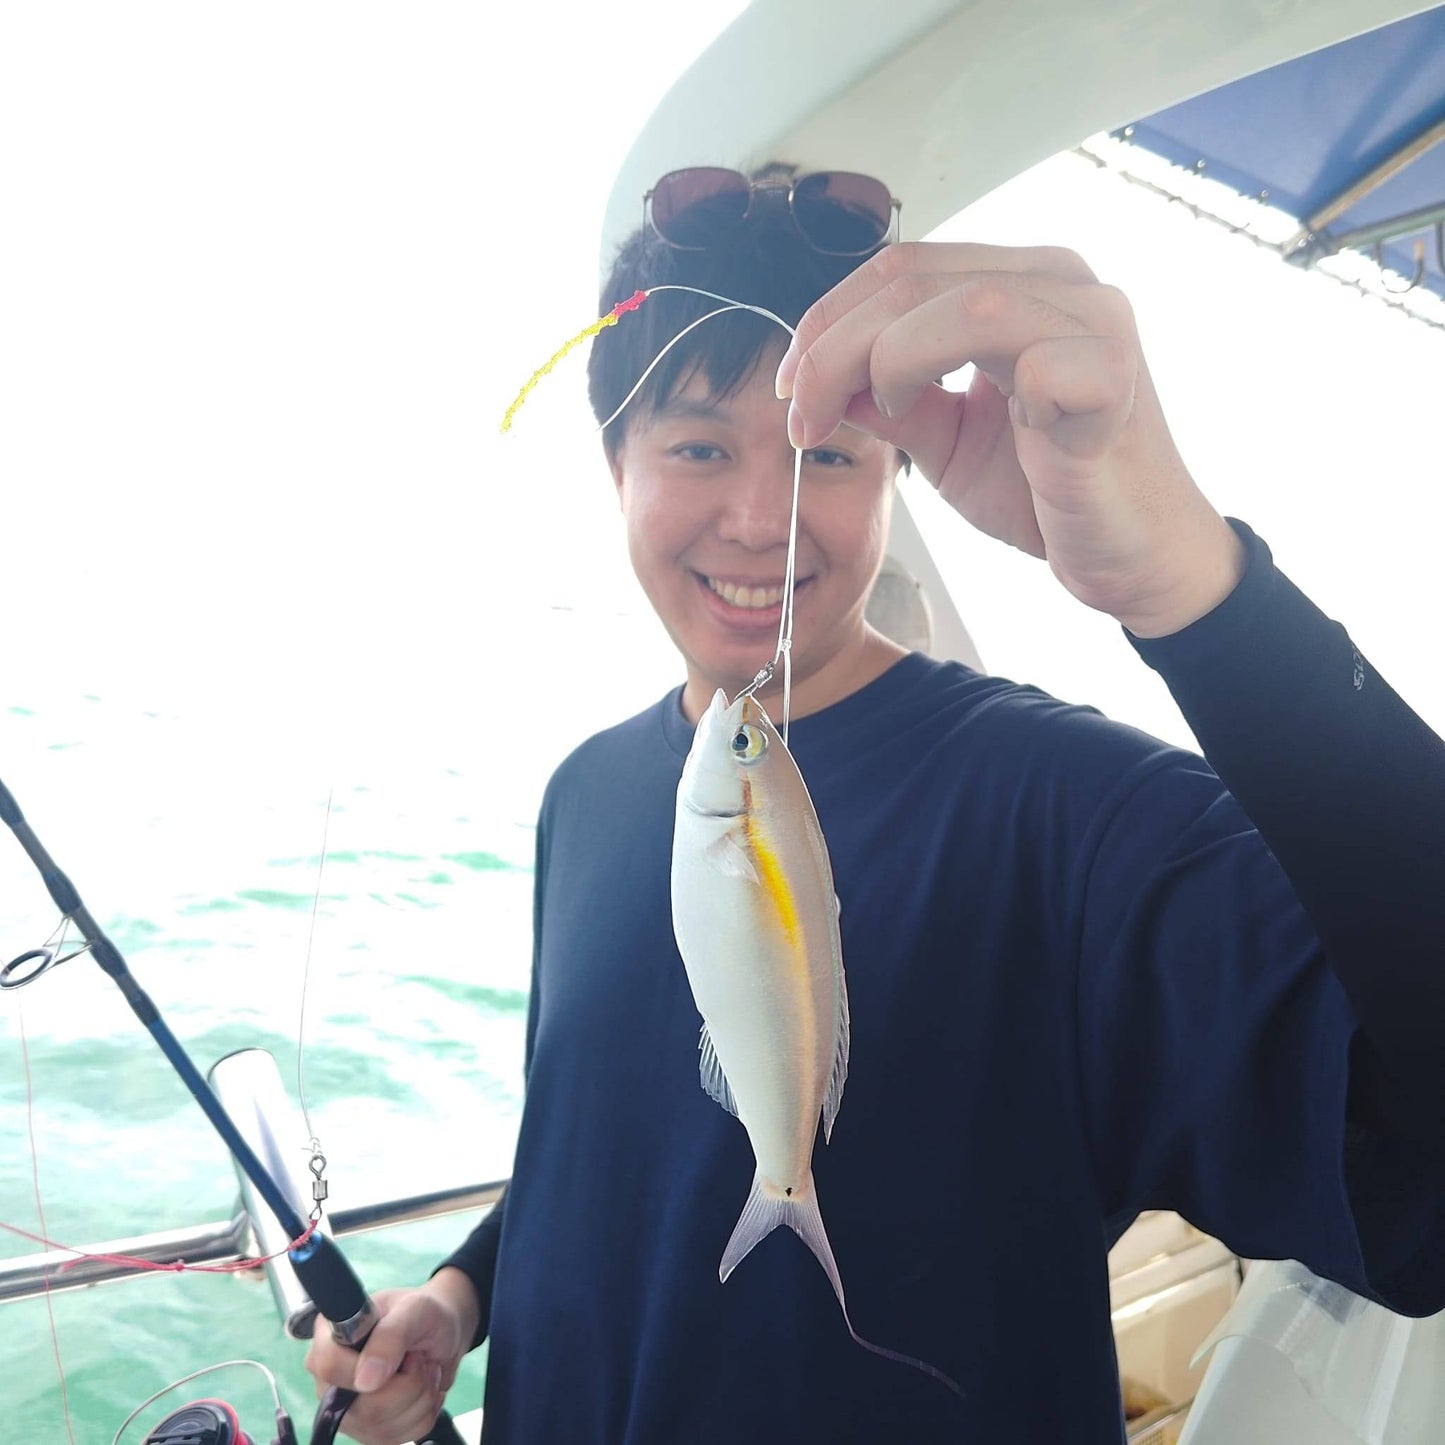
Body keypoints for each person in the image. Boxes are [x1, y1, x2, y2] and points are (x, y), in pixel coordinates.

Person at [306, 164, 1445, 1442]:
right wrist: (462, 1294)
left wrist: (1193, 585)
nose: (758, 518)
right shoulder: (590, 790)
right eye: (694, 444)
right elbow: (607, 1133)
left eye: (826, 454)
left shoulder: (1059, 810)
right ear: (612, 461)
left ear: (900, 471)